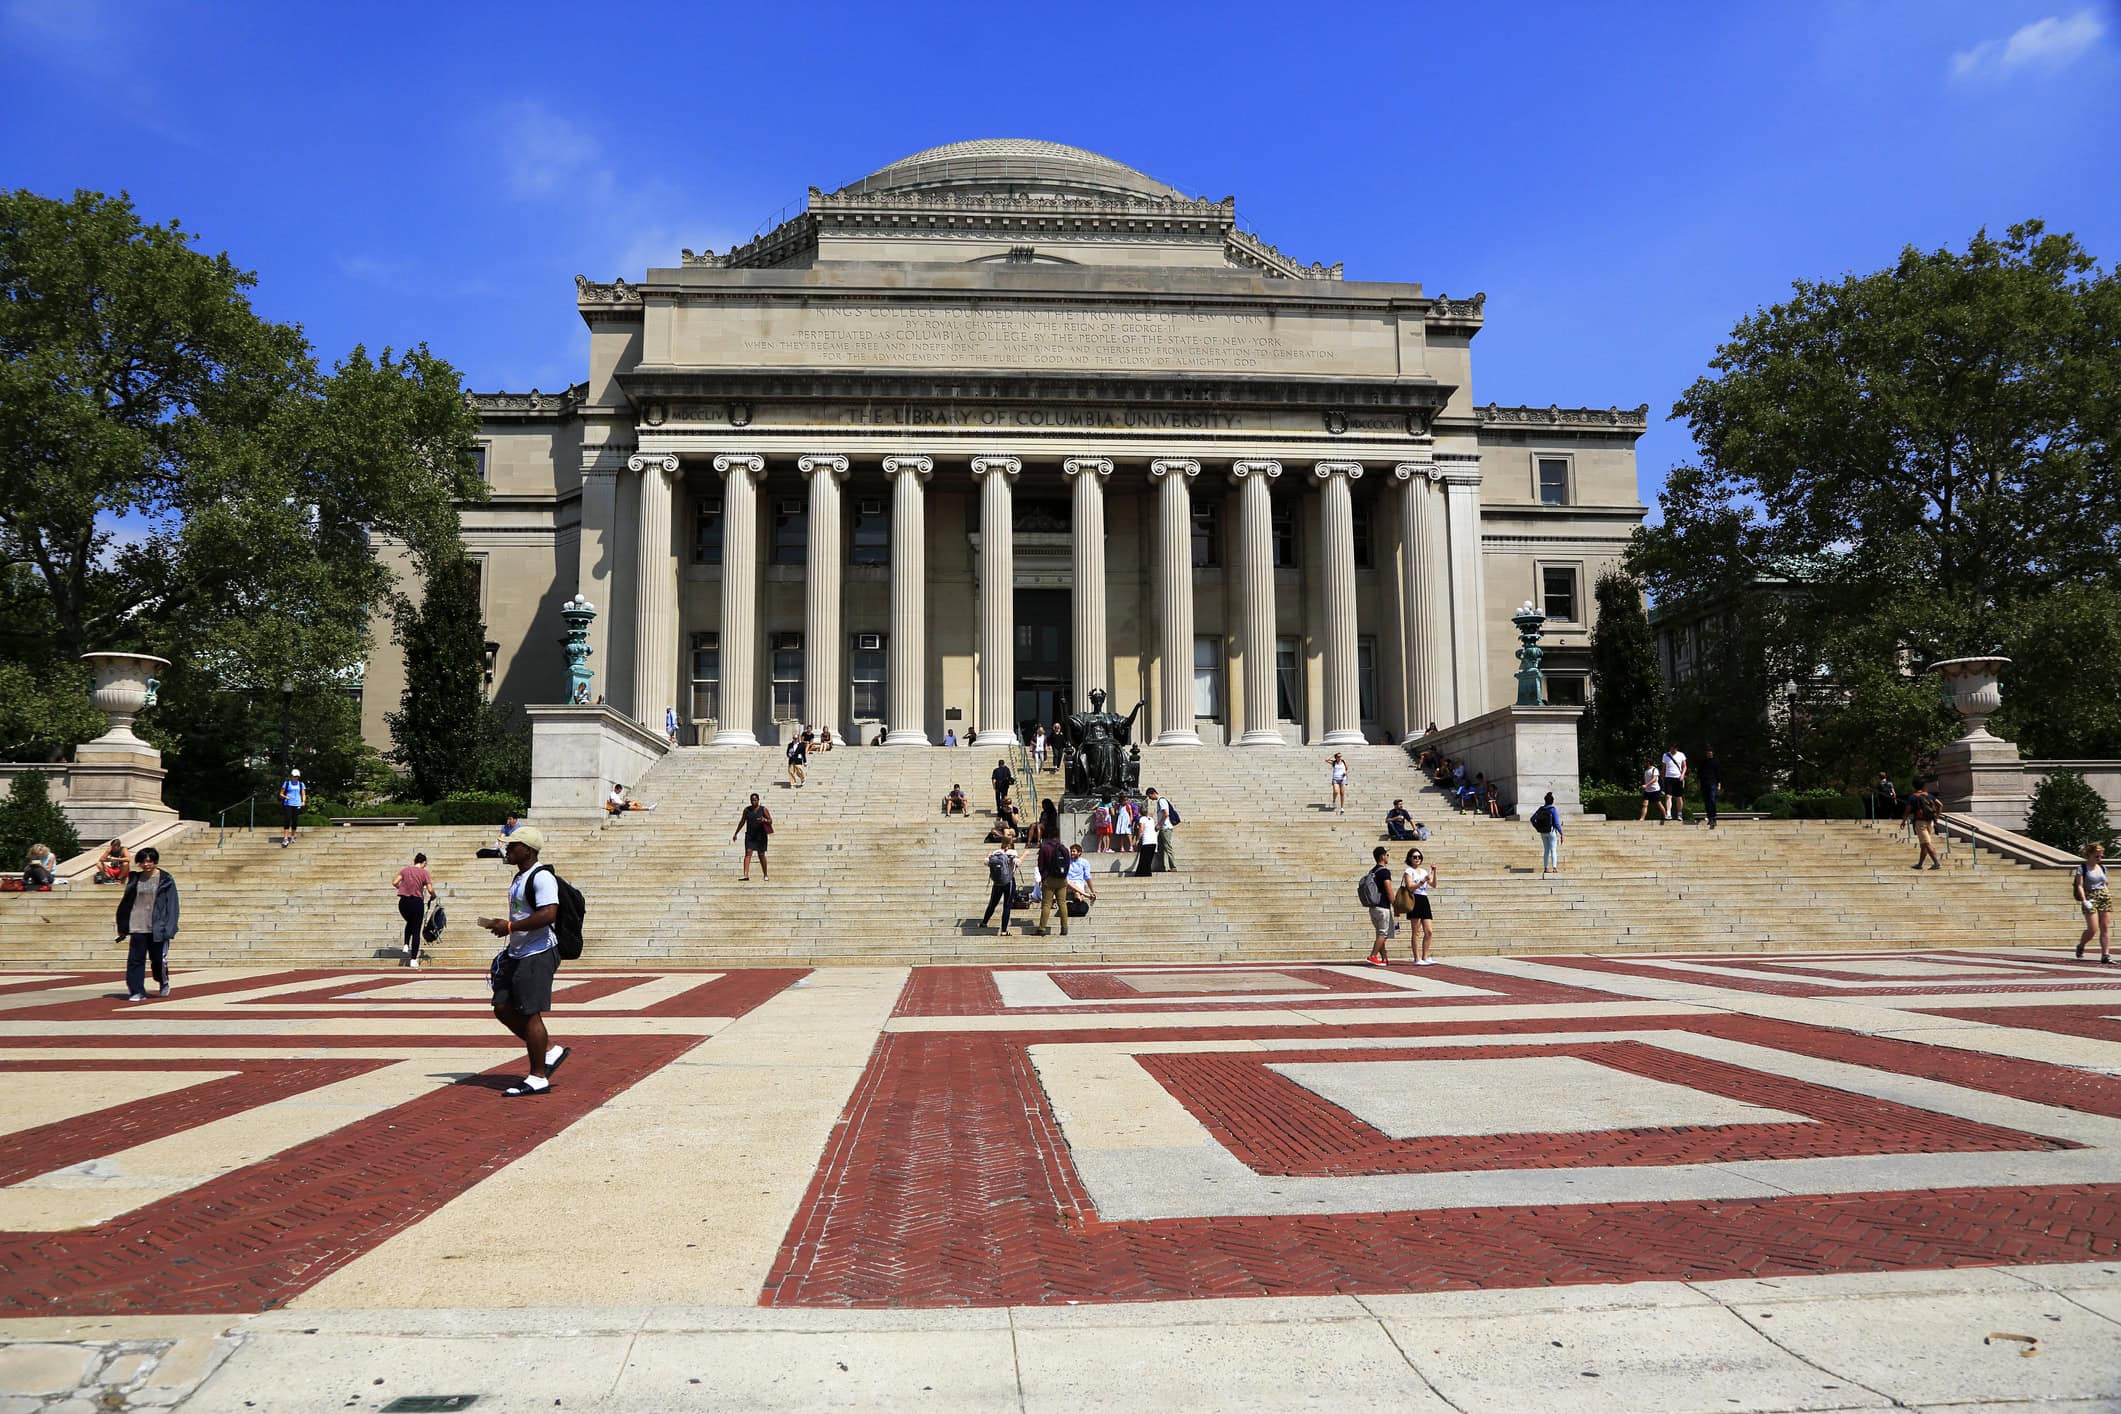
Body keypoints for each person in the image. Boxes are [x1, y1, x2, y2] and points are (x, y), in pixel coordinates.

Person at [477, 826, 571, 1098]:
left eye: (512, 845)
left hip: (538, 953)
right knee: (502, 1007)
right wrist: (508, 928)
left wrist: (509, 926)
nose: (506, 850)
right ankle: (550, 1050)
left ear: (526, 849)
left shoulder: (542, 877)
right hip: (517, 952)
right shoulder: (521, 876)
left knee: (530, 1013)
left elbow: (549, 914)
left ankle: (538, 1077)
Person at [114, 845, 178, 1002]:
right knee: (135, 960)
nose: (146, 864)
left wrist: (170, 927)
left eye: (149, 861)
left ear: (155, 861)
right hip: (137, 924)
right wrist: (123, 925)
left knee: (158, 960)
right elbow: (127, 902)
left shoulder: (166, 879)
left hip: (157, 926)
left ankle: (163, 980)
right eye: (142, 862)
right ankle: (136, 991)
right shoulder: (135, 878)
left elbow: (172, 905)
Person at [1397, 846, 1439, 965]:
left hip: (1424, 899)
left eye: (1419, 857)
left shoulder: (1424, 871)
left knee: (1429, 931)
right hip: (1414, 898)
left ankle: (1425, 956)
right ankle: (1417, 958)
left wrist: (1434, 872)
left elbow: (1434, 885)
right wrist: (1422, 881)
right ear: (1410, 859)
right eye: (1414, 857)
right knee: (1416, 931)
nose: (1417, 859)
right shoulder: (1408, 871)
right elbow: (1410, 887)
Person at [393, 851, 436, 967]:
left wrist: (402, 888)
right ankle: (413, 959)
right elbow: (430, 890)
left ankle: (406, 944)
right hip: (416, 902)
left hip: (403, 902)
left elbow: (395, 882)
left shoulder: (405, 870)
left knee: (410, 922)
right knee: (416, 930)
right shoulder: (424, 873)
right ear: (424, 863)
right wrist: (433, 896)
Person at [2075, 842, 2113, 964]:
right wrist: (2084, 900)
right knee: (2093, 928)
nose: (2099, 858)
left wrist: (2107, 892)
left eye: (2100, 856)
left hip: (2103, 896)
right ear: (2089, 855)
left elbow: (2105, 882)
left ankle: (2105, 954)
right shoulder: (2083, 868)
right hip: (2090, 896)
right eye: (2096, 856)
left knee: (2105, 927)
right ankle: (2081, 945)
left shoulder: (2102, 867)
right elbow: (2079, 885)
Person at [1362, 845, 1397, 967]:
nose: (1388, 857)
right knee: (1383, 933)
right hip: (1383, 907)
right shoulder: (1384, 871)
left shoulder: (1372, 871)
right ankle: (1373, 955)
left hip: (1373, 907)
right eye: (1387, 855)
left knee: (1380, 934)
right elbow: (1388, 889)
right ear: (1382, 856)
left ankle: (1384, 958)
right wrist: (1395, 904)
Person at [1034, 827, 1071, 937]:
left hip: (1049, 879)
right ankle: (1064, 928)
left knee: (1046, 904)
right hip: (1062, 879)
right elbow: (1068, 864)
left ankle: (1042, 928)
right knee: (1062, 903)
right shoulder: (1064, 848)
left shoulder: (1045, 848)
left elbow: (1040, 864)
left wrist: (1043, 876)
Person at [982, 833, 1020, 936]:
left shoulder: (996, 852)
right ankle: (1003, 930)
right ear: (1011, 842)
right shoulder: (1013, 852)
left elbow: (986, 862)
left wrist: (987, 856)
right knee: (1007, 906)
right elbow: (1018, 862)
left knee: (993, 903)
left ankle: (984, 922)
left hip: (997, 882)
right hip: (1009, 881)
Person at [1905, 780, 1943, 870]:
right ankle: (1920, 864)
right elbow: (1940, 805)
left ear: (1914, 786)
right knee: (1923, 844)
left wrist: (1903, 821)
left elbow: (1908, 810)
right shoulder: (1929, 795)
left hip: (1920, 822)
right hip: (1930, 822)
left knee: (1927, 843)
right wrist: (1937, 816)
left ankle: (1936, 862)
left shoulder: (1912, 797)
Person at [733, 792, 772, 880]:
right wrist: (736, 833)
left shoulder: (763, 809)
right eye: (752, 800)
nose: (753, 802)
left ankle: (765, 874)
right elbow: (742, 822)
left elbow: (770, 821)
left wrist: (764, 819)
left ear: (758, 800)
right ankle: (746, 875)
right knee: (748, 853)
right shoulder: (747, 810)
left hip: (761, 835)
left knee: (761, 855)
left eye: (755, 800)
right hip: (750, 835)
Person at [1532, 791, 1563, 875]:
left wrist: (1537, 828)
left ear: (1545, 800)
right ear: (1552, 801)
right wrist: (1561, 833)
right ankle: (1554, 868)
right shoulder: (1553, 809)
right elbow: (1556, 823)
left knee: (1546, 850)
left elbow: (1532, 819)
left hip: (1543, 832)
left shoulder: (1540, 809)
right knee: (1553, 849)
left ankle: (1545, 868)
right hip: (1551, 831)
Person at [1133, 788, 1161, 877]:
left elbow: (1141, 831)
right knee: (1148, 860)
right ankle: (1147, 874)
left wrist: (1137, 840)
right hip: (1153, 842)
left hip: (1147, 842)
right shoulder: (1151, 819)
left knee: (1143, 859)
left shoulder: (1142, 819)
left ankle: (1141, 874)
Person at [1065, 843, 1097, 918]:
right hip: (1067, 883)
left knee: (1077, 893)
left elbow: (1087, 877)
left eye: (1073, 851)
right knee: (1068, 881)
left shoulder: (1084, 862)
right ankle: (1086, 895)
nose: (1071, 853)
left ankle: (1077, 909)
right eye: (1071, 851)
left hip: (1078, 884)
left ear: (1079, 853)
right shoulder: (1067, 861)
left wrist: (1093, 891)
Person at [1660, 743, 1688, 822]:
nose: (1673, 750)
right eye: (1672, 748)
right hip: (1668, 777)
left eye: (1675, 749)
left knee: (1679, 797)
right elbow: (1663, 767)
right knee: (1668, 796)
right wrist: (1662, 777)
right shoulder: (1665, 755)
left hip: (1678, 778)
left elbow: (1684, 766)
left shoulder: (1681, 755)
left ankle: (1679, 814)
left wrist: (1682, 775)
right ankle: (1668, 813)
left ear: (1677, 749)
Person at [278, 768, 306, 847]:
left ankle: (292, 836)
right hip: (288, 804)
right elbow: (281, 793)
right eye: (294, 776)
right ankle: (285, 838)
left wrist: (303, 801)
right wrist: (285, 797)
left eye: (297, 776)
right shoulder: (287, 783)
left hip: (297, 804)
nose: (295, 777)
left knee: (295, 821)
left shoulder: (301, 784)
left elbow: (303, 794)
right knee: (287, 820)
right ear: (291, 776)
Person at [1154, 789, 1179, 873]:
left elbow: (1166, 813)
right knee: (1160, 848)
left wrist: (1159, 824)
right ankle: (1161, 866)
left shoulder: (1162, 801)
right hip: (1162, 829)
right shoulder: (1160, 801)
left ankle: (1173, 866)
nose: (1150, 798)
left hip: (1166, 828)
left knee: (1167, 847)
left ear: (1153, 793)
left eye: (1150, 796)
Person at [1698, 748, 1723, 829]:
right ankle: (1709, 817)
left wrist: (1719, 784)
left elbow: (1718, 773)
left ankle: (1714, 817)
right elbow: (1699, 774)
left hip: (1712, 783)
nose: (1709, 754)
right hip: (1704, 784)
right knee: (1706, 801)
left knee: (1712, 800)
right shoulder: (1703, 762)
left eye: (1710, 753)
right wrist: (1699, 784)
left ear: (1712, 754)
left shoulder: (1716, 762)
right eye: (1708, 753)